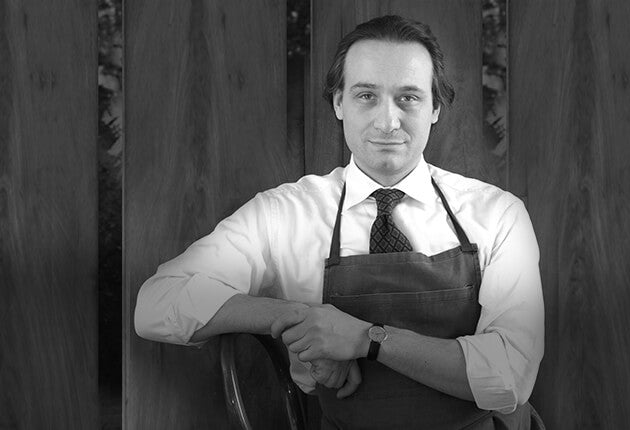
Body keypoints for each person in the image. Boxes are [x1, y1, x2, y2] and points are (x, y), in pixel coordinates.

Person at [135, 15, 544, 429]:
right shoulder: (284, 214)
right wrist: (301, 319)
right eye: (366, 95)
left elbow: (512, 375)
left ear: (435, 108)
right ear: (338, 103)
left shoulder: (497, 213)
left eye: (408, 98)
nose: (388, 122)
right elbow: (157, 301)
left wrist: (366, 338)